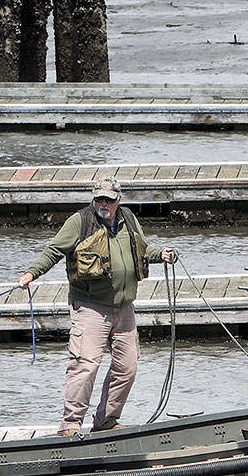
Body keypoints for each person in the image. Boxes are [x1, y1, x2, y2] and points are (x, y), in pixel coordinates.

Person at [19, 179, 176, 435]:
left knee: (127, 367)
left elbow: (143, 250)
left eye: (109, 200)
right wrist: (31, 274)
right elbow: (53, 251)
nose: (103, 204)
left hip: (124, 309)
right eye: (99, 199)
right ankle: (70, 425)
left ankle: (106, 421)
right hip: (90, 308)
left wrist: (163, 254)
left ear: (118, 200)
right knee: (85, 365)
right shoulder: (80, 222)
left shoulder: (128, 219)